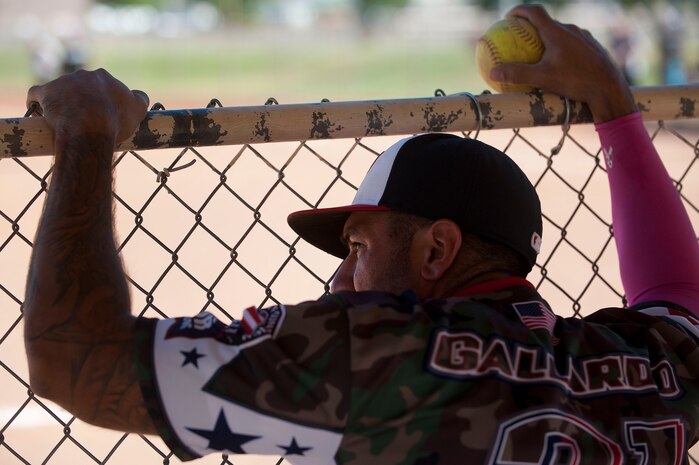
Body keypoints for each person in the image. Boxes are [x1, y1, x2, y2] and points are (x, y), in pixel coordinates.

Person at [23, 4, 699, 464]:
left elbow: (72, 360)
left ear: (437, 248)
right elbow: (677, 292)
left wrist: (86, 139)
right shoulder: (640, 365)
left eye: (356, 247)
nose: (339, 279)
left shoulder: (380, 354)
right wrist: (612, 102)